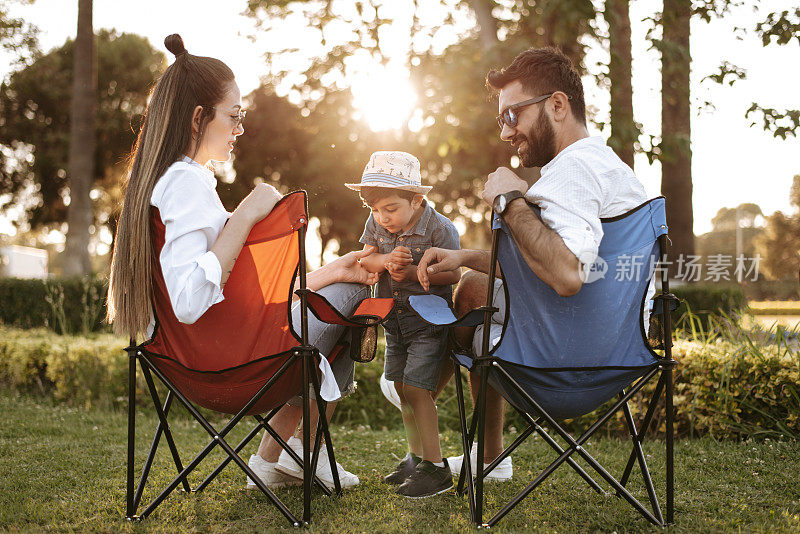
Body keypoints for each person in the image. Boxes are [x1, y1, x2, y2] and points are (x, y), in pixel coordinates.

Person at [106, 34, 378, 492]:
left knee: (341, 287)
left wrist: (332, 271)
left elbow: (239, 296)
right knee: (352, 298)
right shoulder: (185, 183)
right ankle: (295, 456)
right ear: (199, 118)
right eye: (234, 116)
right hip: (231, 363)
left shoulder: (166, 183)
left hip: (194, 357)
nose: (239, 128)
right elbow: (191, 301)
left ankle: (278, 460)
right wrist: (248, 214)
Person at [416, 46, 651, 480]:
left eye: (513, 115)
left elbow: (565, 274)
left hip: (558, 363)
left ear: (557, 105)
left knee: (474, 300)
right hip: (618, 353)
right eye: (501, 118)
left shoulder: (571, 172)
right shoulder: (609, 168)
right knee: (473, 283)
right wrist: (467, 255)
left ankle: (420, 390)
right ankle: (482, 450)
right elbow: (557, 264)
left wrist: (508, 200)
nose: (506, 132)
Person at [345, 151, 461, 498]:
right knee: (398, 387)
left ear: (416, 199)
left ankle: (436, 468)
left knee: (416, 390)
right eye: (376, 210)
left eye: (391, 209)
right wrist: (385, 260)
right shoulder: (376, 224)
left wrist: (411, 271)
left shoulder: (440, 228)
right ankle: (416, 458)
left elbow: (454, 272)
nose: (382, 218)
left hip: (428, 321)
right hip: (393, 320)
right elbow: (368, 260)